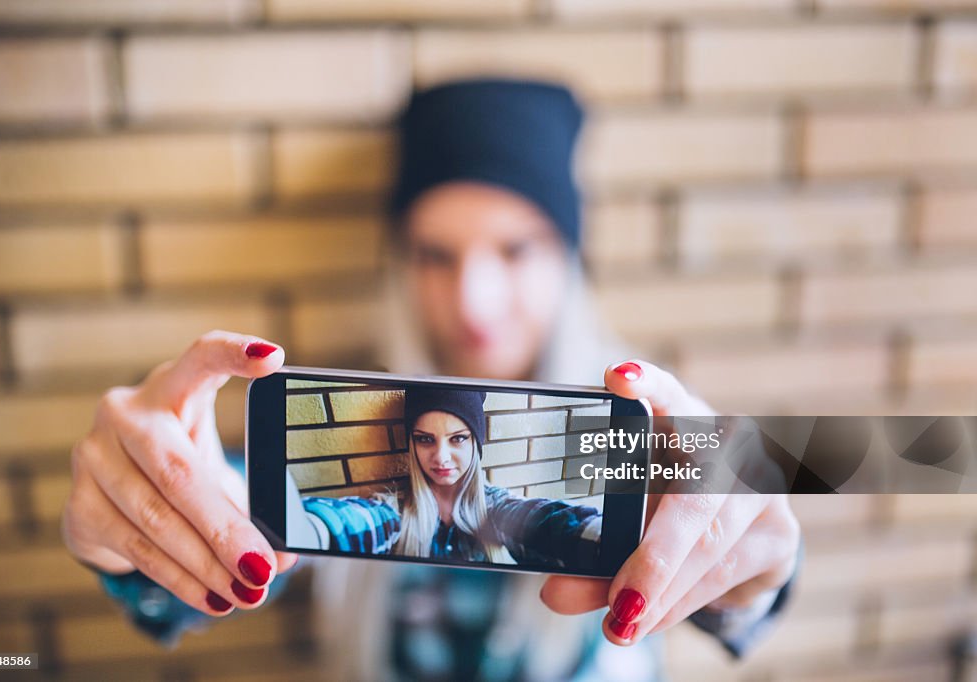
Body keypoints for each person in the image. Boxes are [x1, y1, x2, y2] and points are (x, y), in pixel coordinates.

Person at [63, 78, 801, 680]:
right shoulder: (356, 456)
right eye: (435, 255)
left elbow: (718, 578)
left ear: (568, 259)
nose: (473, 301)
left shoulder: (642, 427)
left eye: (514, 250)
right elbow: (277, 521)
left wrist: (747, 574)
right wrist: (134, 532)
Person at [290, 386, 603, 571]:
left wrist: (604, 537)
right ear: (411, 444)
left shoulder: (497, 510)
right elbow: (348, 522)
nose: (440, 457)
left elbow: (550, 522)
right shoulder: (391, 513)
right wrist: (303, 531)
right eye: (425, 439)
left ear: (476, 444)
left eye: (457, 439)